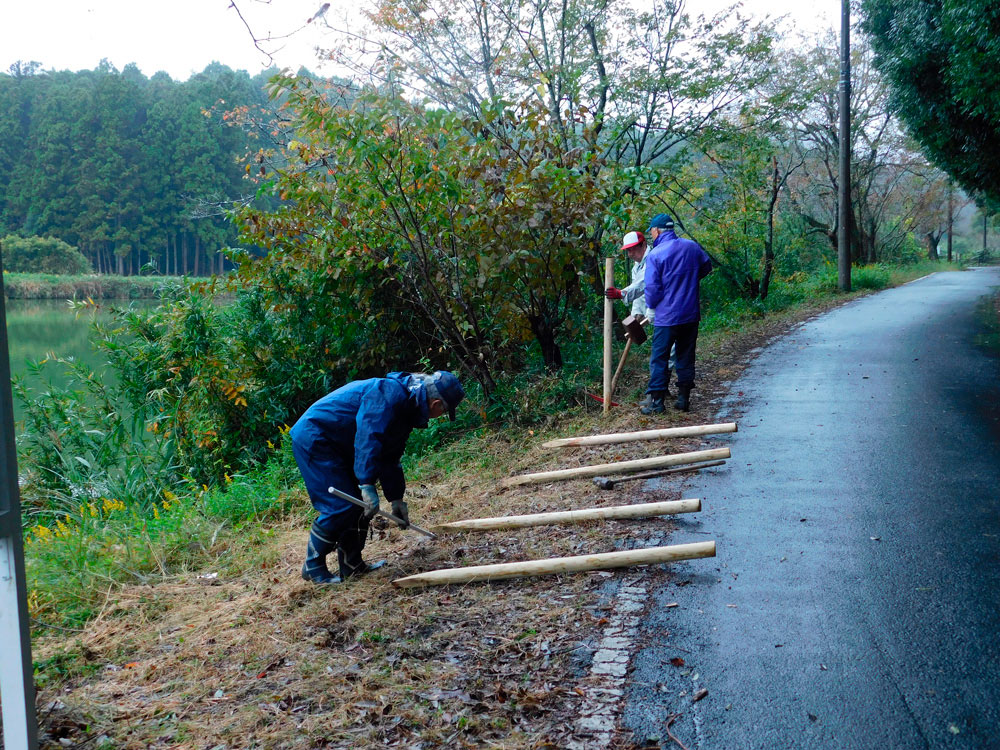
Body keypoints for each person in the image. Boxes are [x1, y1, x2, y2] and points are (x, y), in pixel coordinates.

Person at [290, 370, 465, 585]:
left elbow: (389, 455)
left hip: (339, 442)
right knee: (342, 504)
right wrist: (366, 483)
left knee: (359, 506)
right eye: (445, 411)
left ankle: (352, 565)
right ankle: (313, 565)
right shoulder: (389, 395)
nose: (441, 416)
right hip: (316, 436)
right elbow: (368, 437)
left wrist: (396, 499)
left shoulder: (406, 406)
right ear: (436, 404)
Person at [642, 214, 713, 413]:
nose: (651, 235)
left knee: (659, 358)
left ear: (656, 231)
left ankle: (657, 404)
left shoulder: (656, 254)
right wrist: (690, 280)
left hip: (666, 317)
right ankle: (683, 400)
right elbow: (706, 267)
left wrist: (651, 307)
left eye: (651, 231)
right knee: (686, 356)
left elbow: (653, 287)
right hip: (690, 314)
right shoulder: (691, 247)